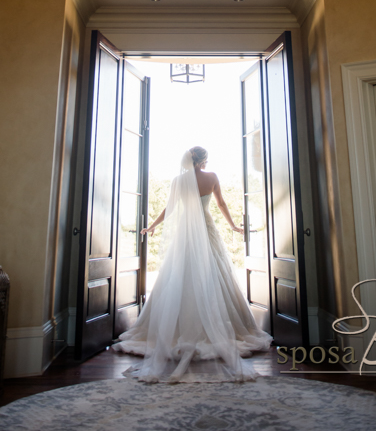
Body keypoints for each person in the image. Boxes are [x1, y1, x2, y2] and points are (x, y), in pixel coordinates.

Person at [112, 146, 272, 382]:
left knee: (180, 275)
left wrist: (153, 226)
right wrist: (232, 226)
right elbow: (221, 205)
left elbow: (170, 209)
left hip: (187, 234)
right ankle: (220, 327)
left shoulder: (179, 180)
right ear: (204, 160)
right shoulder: (212, 178)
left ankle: (178, 328)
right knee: (214, 275)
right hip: (207, 231)